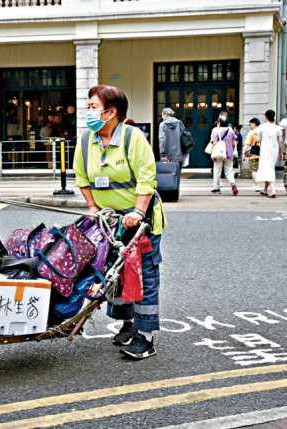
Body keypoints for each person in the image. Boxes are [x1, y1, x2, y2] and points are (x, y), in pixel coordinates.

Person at [73, 85, 166, 360]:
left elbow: (147, 178)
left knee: (143, 274)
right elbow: (82, 178)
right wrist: (93, 208)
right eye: (88, 106)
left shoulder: (132, 137)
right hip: (110, 220)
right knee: (115, 275)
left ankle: (146, 337)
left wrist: (138, 211)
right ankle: (127, 323)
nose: (88, 112)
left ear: (111, 112)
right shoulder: (86, 140)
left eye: (93, 107)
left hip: (140, 218)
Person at [255, 109, 283, 198]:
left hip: (265, 147)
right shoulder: (277, 127)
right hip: (274, 148)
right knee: (270, 167)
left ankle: (273, 189)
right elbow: (281, 141)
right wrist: (281, 152)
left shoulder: (262, 127)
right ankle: (265, 190)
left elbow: (258, 140)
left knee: (267, 167)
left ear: (266, 117)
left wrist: (257, 136)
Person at [209, 116, 238, 195]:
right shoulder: (231, 130)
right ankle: (232, 183)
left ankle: (216, 189)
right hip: (229, 153)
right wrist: (231, 151)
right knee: (229, 171)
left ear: (219, 123)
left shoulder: (217, 131)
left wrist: (212, 154)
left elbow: (214, 143)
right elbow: (233, 143)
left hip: (219, 154)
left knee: (217, 171)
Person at [242, 118, 262, 192]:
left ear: (254, 124)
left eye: (250, 124)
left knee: (254, 171)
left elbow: (247, 144)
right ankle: (255, 184)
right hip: (261, 153)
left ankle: (257, 186)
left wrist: (244, 154)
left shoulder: (251, 133)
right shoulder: (261, 131)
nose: (249, 126)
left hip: (253, 154)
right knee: (258, 170)